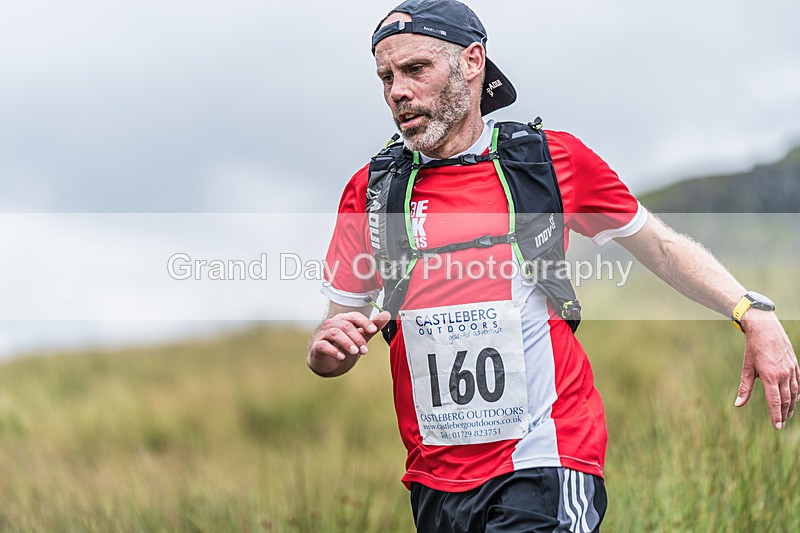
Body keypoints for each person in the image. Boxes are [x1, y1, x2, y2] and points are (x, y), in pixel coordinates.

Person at [306, 1, 799, 531]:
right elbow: (336, 341)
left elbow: (658, 245)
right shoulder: (371, 191)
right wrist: (327, 349)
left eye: (416, 69)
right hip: (436, 477)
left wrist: (752, 312)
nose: (397, 91)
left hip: (547, 454)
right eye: (386, 77)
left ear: (472, 62)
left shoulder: (549, 161)